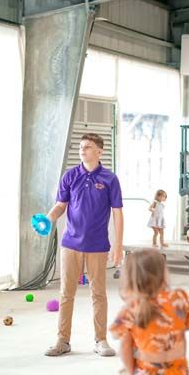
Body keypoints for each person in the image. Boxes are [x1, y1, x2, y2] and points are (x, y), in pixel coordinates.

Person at [44, 133, 124, 358]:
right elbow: (61, 205)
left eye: (88, 147)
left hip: (98, 245)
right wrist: (48, 218)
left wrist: (118, 245)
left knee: (98, 294)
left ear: (99, 151)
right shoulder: (70, 176)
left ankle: (101, 341)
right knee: (66, 293)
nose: (83, 150)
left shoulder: (110, 179)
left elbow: (117, 214)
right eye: (81, 147)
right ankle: (62, 341)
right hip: (70, 243)